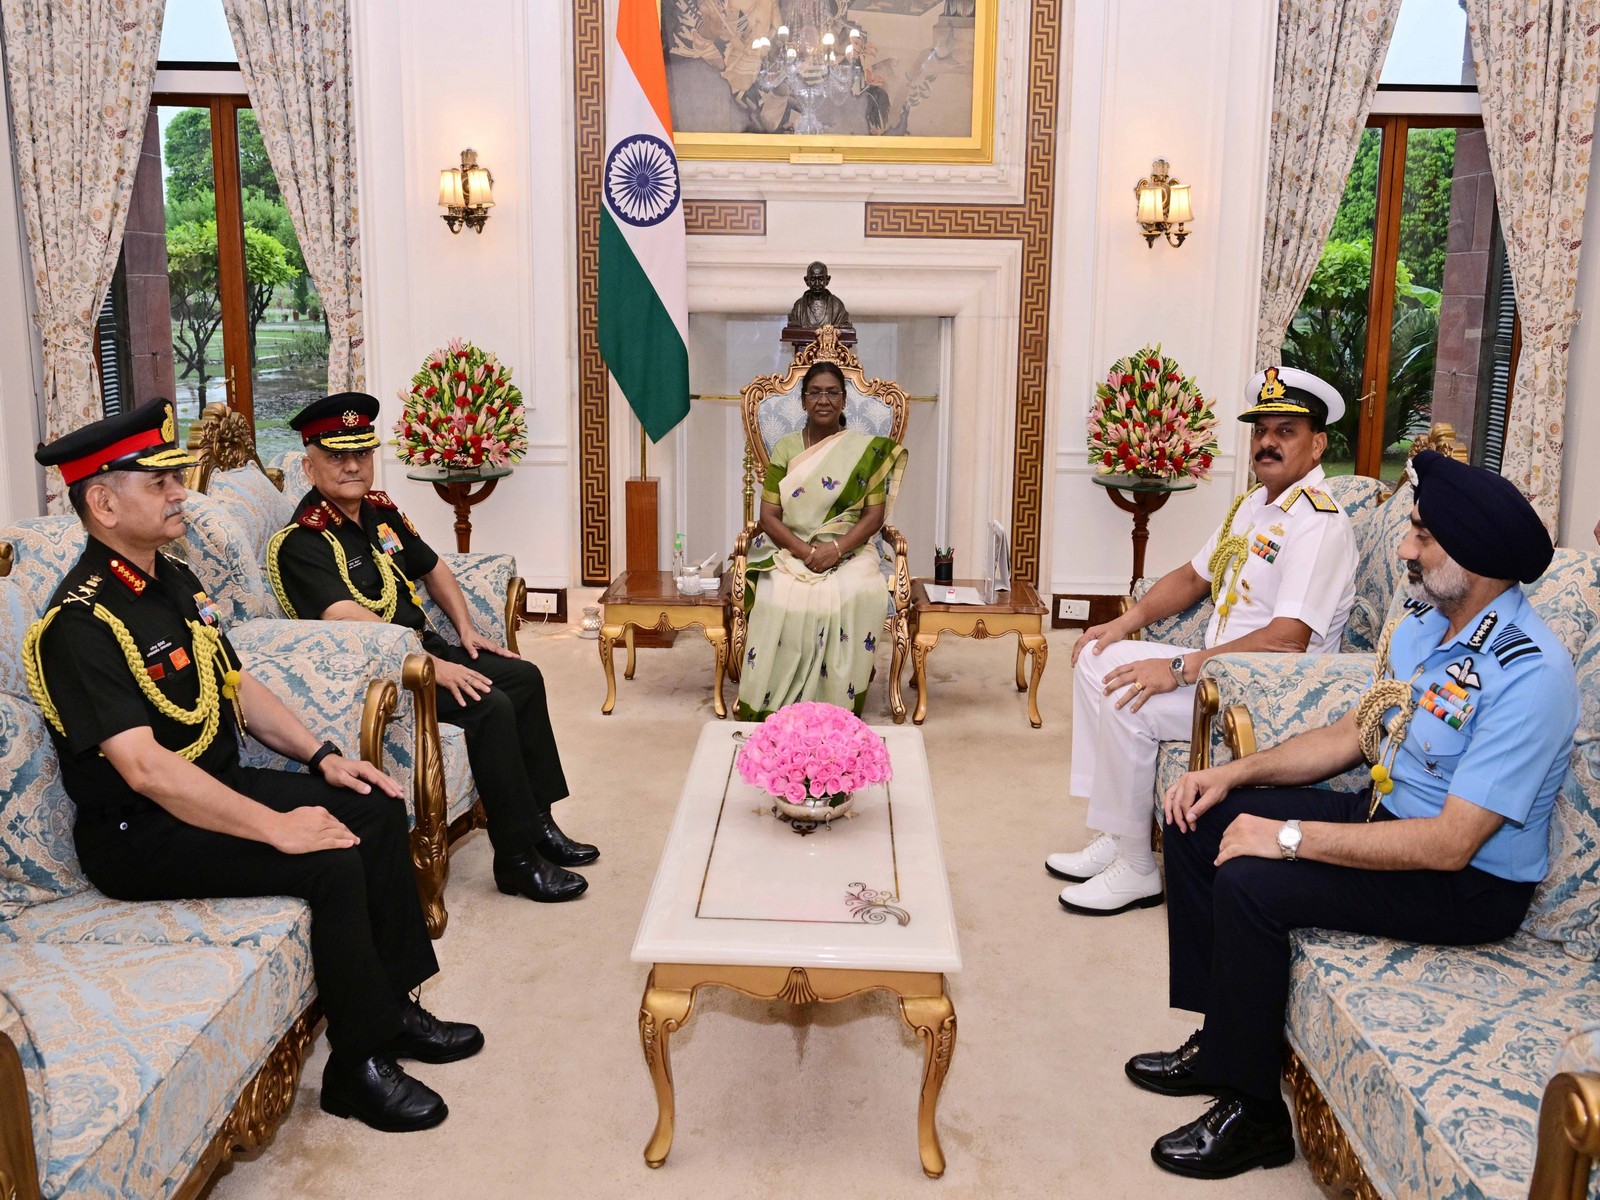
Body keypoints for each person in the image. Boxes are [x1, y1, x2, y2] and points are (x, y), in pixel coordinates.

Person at [27, 398, 482, 1133]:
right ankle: (355, 1068)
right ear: (104, 502)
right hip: (138, 832)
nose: (182, 494)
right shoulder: (79, 624)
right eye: (161, 483)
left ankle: (394, 1010)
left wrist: (325, 756)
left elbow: (238, 685)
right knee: (328, 854)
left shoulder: (169, 580)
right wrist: (277, 827)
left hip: (211, 788)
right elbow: (145, 772)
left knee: (370, 804)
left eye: (179, 478)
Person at [1135, 450, 1575, 1180]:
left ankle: (1255, 1116)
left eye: (1423, 537)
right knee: (1196, 815)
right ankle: (1222, 1045)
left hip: (1466, 886)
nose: (1404, 548)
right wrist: (1227, 774)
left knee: (1252, 878)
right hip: (1388, 817)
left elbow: (1450, 844)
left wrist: (1284, 838)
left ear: (1477, 559)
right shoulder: (1423, 629)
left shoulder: (1530, 675)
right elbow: (1351, 736)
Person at [1051, 367, 1360, 915]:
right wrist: (1122, 624)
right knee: (1098, 658)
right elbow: (1194, 578)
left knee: (1128, 697)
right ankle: (1120, 833)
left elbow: (1288, 641)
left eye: (1285, 431)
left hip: (1266, 693)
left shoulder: (1318, 524)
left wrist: (1177, 667)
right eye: (1261, 430)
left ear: (1318, 445)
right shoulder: (1255, 505)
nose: (1267, 441)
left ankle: (1139, 870)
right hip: (1220, 671)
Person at [266, 393, 594, 904]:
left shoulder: (379, 512)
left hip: (429, 649)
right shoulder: (302, 542)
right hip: (384, 677)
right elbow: (342, 619)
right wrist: (431, 666)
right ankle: (516, 860)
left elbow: (433, 566)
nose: (352, 466)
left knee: (524, 676)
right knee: (489, 706)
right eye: (336, 456)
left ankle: (540, 823)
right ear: (309, 466)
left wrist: (466, 630)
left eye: (361, 453)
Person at [735, 360, 906, 720]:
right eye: (815, 392)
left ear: (844, 401)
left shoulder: (864, 451)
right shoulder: (785, 447)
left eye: (831, 392)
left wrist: (836, 549)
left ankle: (834, 704)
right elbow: (768, 517)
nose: (823, 399)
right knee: (778, 594)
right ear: (803, 400)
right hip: (791, 546)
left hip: (851, 549)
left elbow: (873, 516)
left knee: (859, 590)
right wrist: (807, 551)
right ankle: (778, 702)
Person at [786, 261, 852, 330]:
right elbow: (793, 326)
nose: (817, 284)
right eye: (813, 279)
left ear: (827, 280)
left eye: (821, 279)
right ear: (806, 281)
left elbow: (845, 327)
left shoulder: (837, 305)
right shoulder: (799, 307)